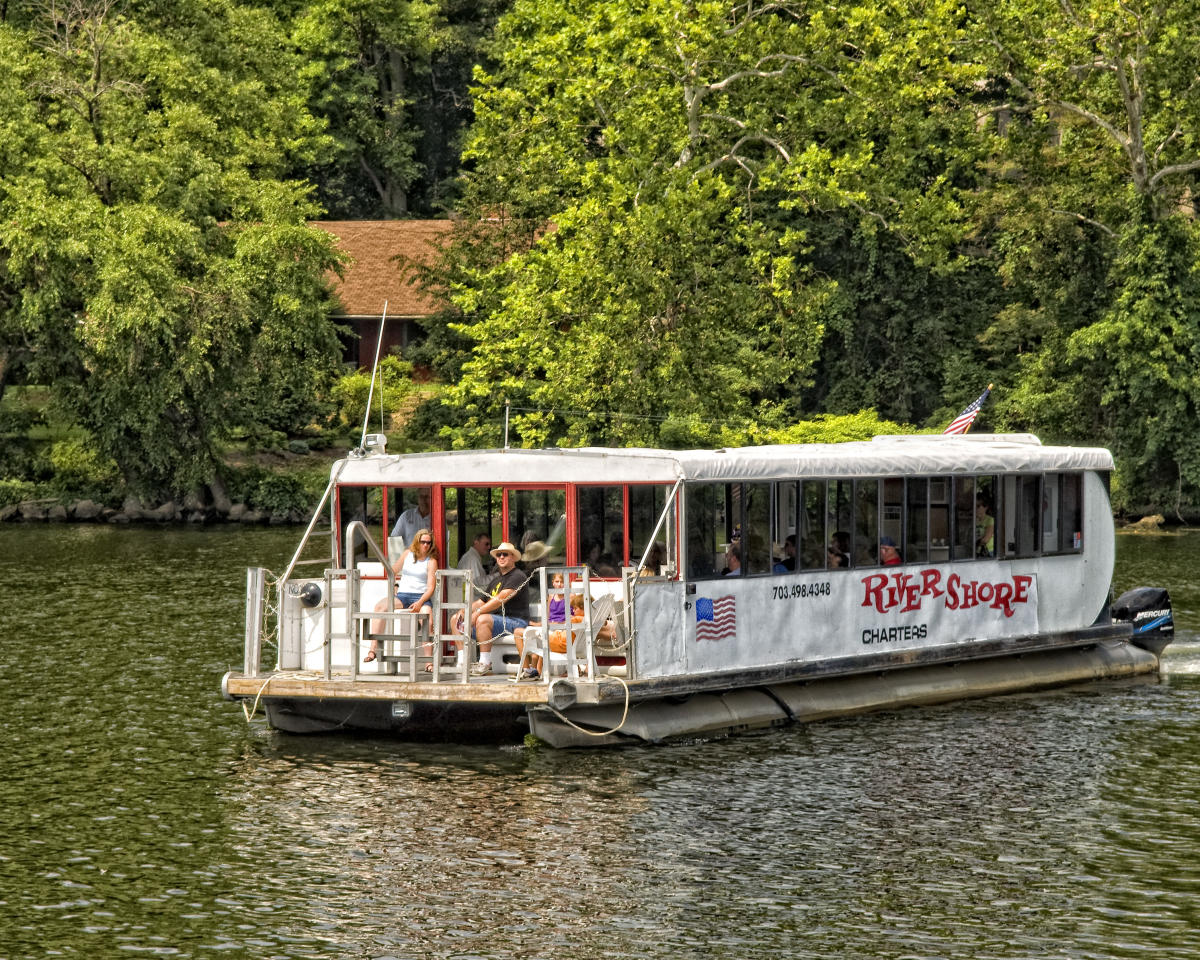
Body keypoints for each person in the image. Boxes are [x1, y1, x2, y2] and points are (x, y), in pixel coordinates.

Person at [450, 541, 530, 676]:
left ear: (513, 558)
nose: (501, 557)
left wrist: (478, 613)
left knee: (483, 619)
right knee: (455, 619)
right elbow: (482, 601)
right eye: (498, 555)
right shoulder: (496, 580)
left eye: (505, 554)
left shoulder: (518, 576)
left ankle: (485, 663)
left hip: (515, 622)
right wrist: (465, 610)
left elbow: (501, 598)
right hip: (496, 624)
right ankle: (463, 662)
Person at [365, 528, 438, 662]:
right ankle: (372, 649)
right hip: (403, 595)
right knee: (379, 607)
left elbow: (431, 588)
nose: (426, 545)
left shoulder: (431, 561)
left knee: (428, 619)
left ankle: (429, 661)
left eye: (429, 543)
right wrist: (395, 585)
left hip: (421, 597)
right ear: (417, 541)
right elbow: (392, 571)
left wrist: (420, 602)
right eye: (423, 542)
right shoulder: (407, 554)